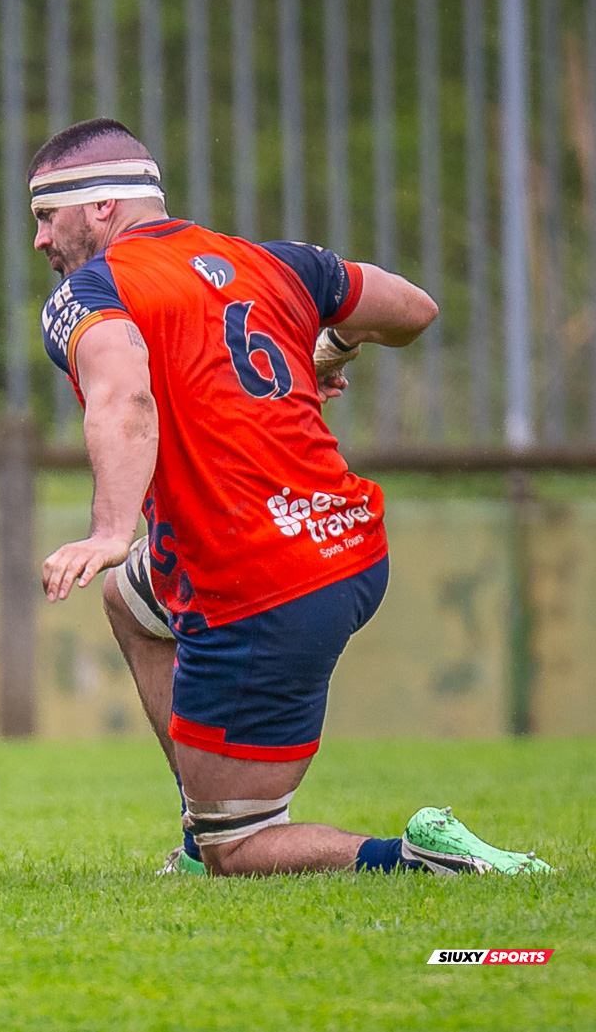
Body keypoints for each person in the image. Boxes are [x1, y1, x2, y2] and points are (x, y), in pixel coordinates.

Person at [32, 117, 552, 878]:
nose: (41, 239)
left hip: (258, 580)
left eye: (48, 215)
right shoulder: (268, 262)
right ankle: (201, 806)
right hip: (349, 542)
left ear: (102, 207)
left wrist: (110, 527)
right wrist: (328, 348)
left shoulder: (93, 291)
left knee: (236, 849)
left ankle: (420, 859)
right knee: (130, 598)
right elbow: (412, 308)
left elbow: (124, 397)